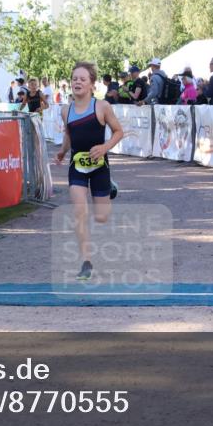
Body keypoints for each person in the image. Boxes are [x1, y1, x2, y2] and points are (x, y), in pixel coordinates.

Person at [54, 62, 124, 280]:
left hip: (100, 166)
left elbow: (119, 132)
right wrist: (62, 152)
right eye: (75, 78)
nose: (77, 82)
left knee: (101, 217)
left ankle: (110, 187)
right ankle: (86, 262)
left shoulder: (102, 107)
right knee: (79, 212)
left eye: (83, 79)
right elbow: (69, 134)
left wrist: (104, 147)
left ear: (92, 85)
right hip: (77, 166)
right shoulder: (66, 110)